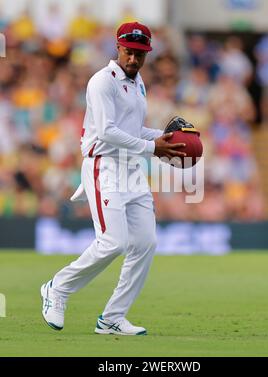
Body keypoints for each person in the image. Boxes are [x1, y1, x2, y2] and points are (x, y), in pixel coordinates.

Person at [40, 21, 186, 335]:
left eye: (140, 54)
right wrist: (152, 147)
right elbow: (106, 132)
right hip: (103, 165)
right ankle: (57, 288)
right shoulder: (101, 82)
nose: (133, 59)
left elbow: (132, 131)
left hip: (131, 168)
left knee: (145, 243)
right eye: (129, 52)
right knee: (113, 242)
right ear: (118, 47)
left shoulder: (138, 83)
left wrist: (166, 139)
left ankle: (112, 318)